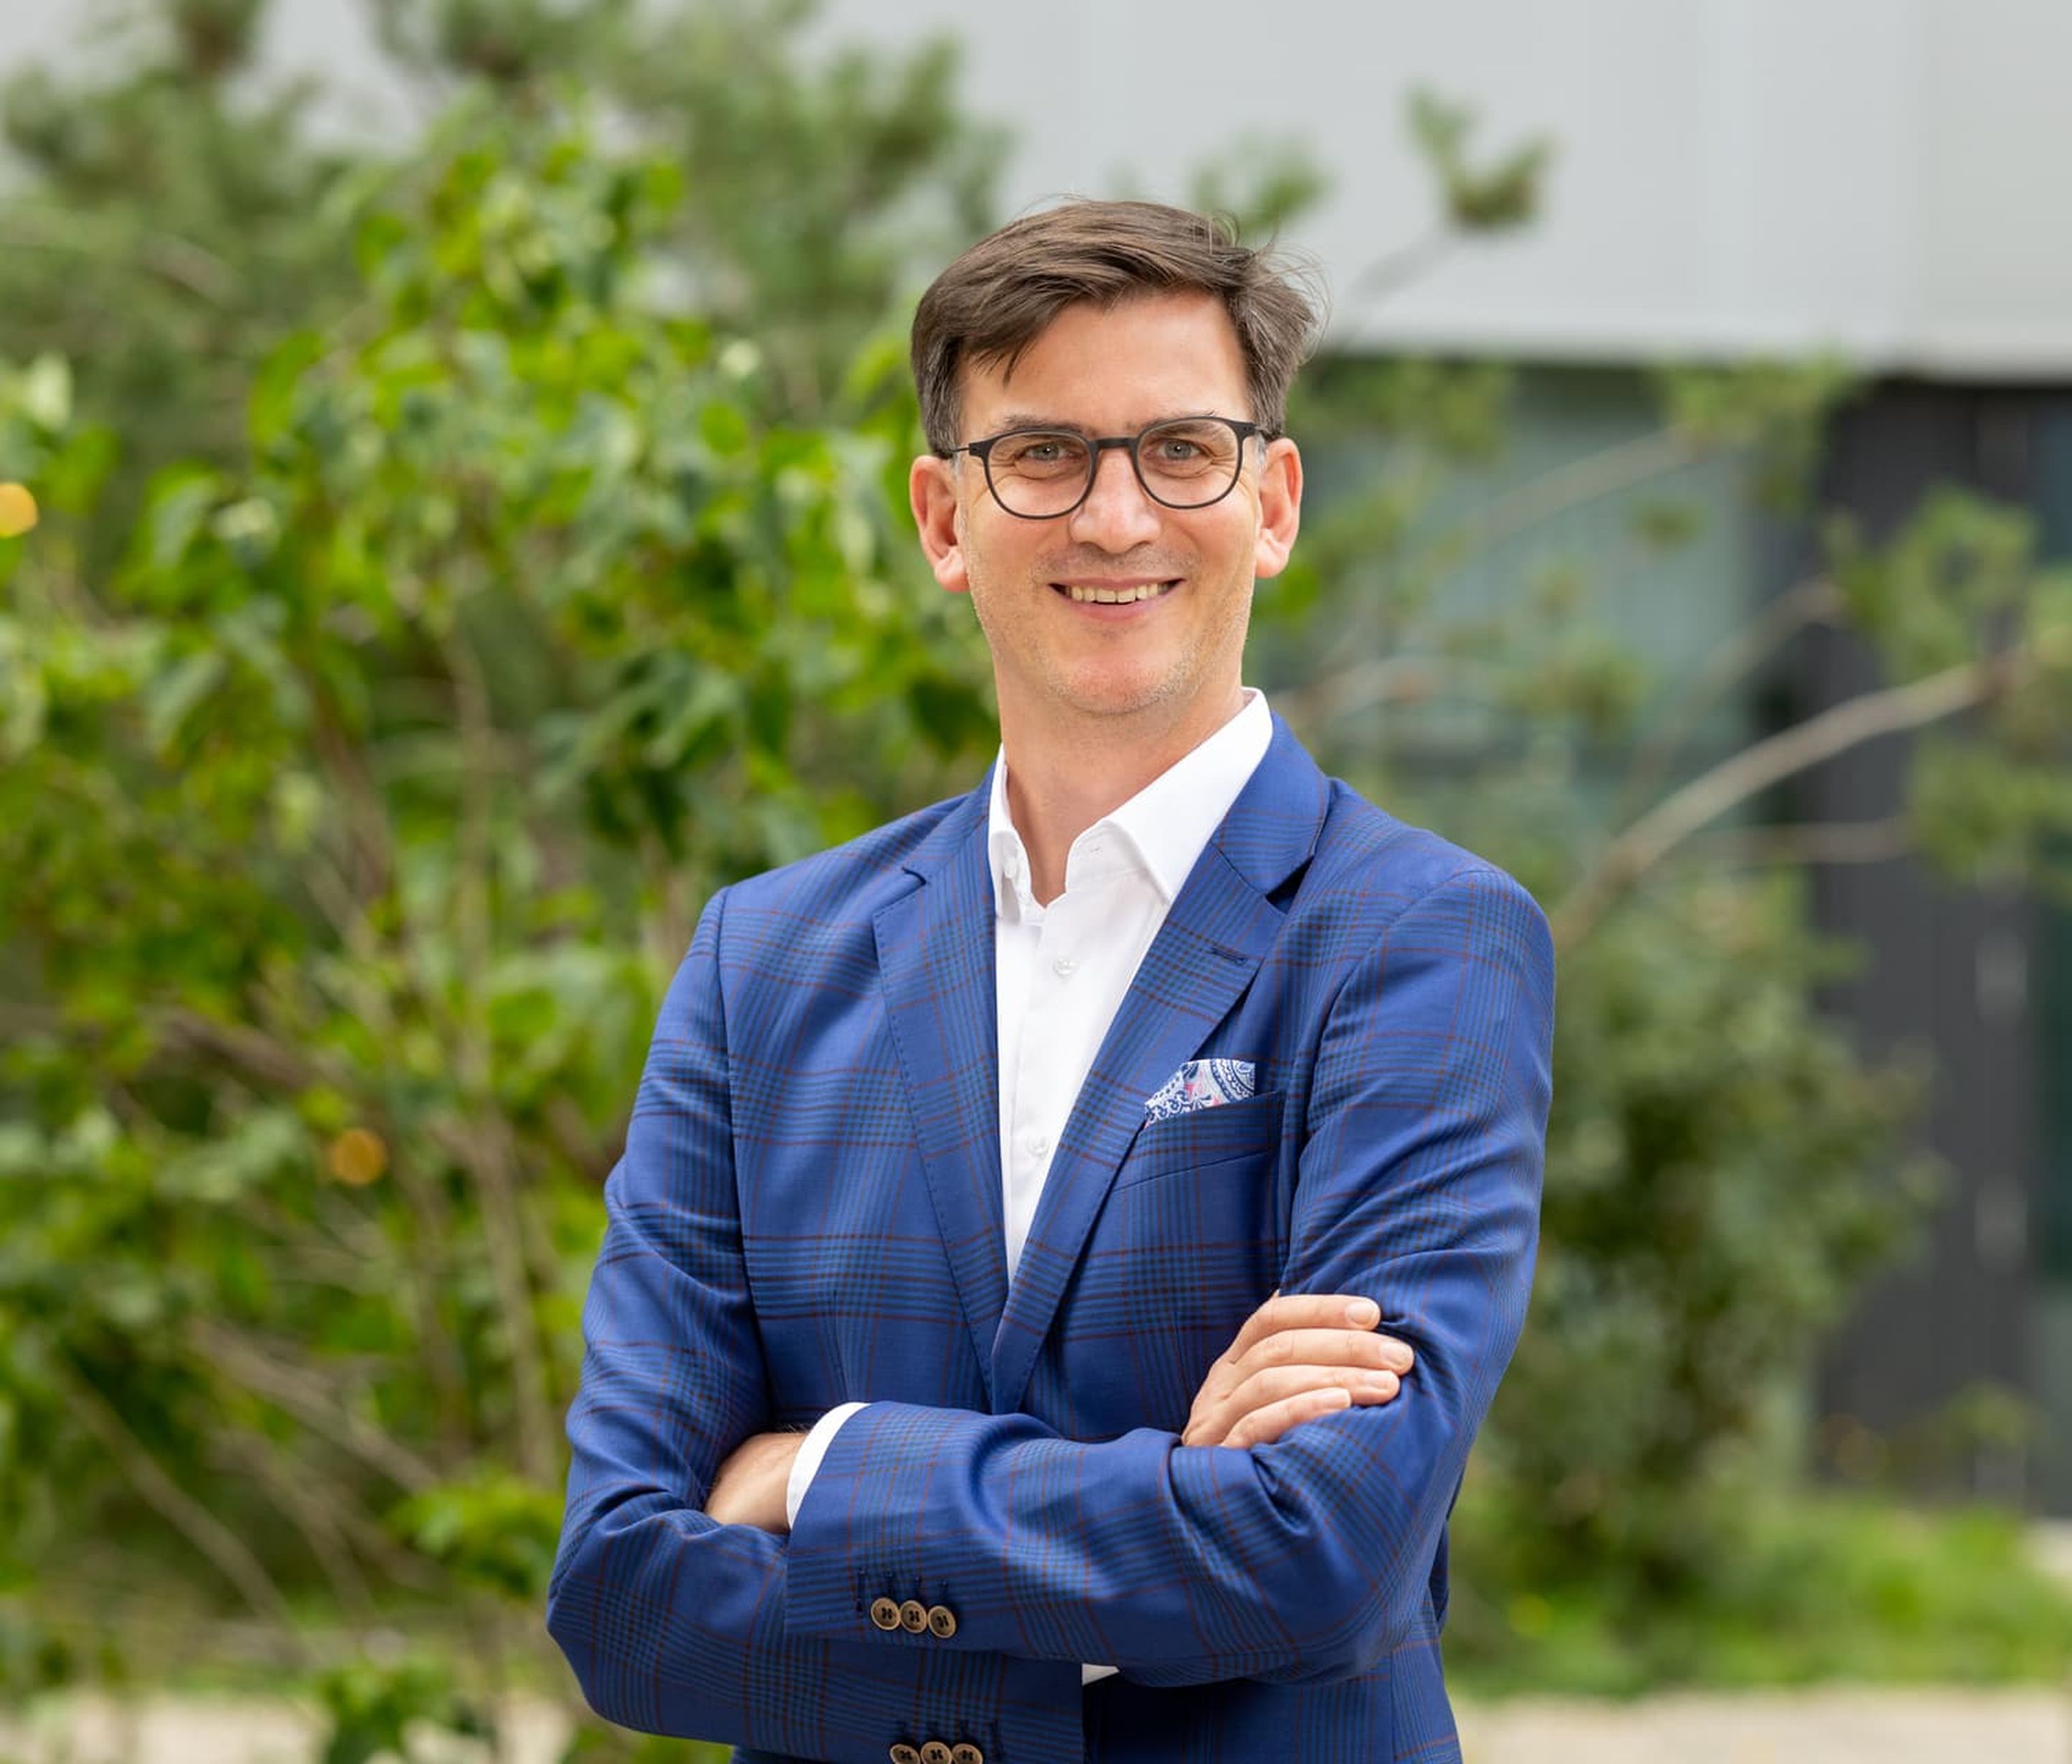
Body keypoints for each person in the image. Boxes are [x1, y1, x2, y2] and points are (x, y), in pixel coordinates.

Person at [547, 199, 1555, 1764]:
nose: (1116, 516)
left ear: (1274, 502)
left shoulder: (1422, 940)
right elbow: (622, 1591)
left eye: (1182, 450)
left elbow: (1322, 1546)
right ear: (944, 519)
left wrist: (823, 1471)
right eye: (1043, 455)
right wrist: (1150, 1548)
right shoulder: (766, 963)